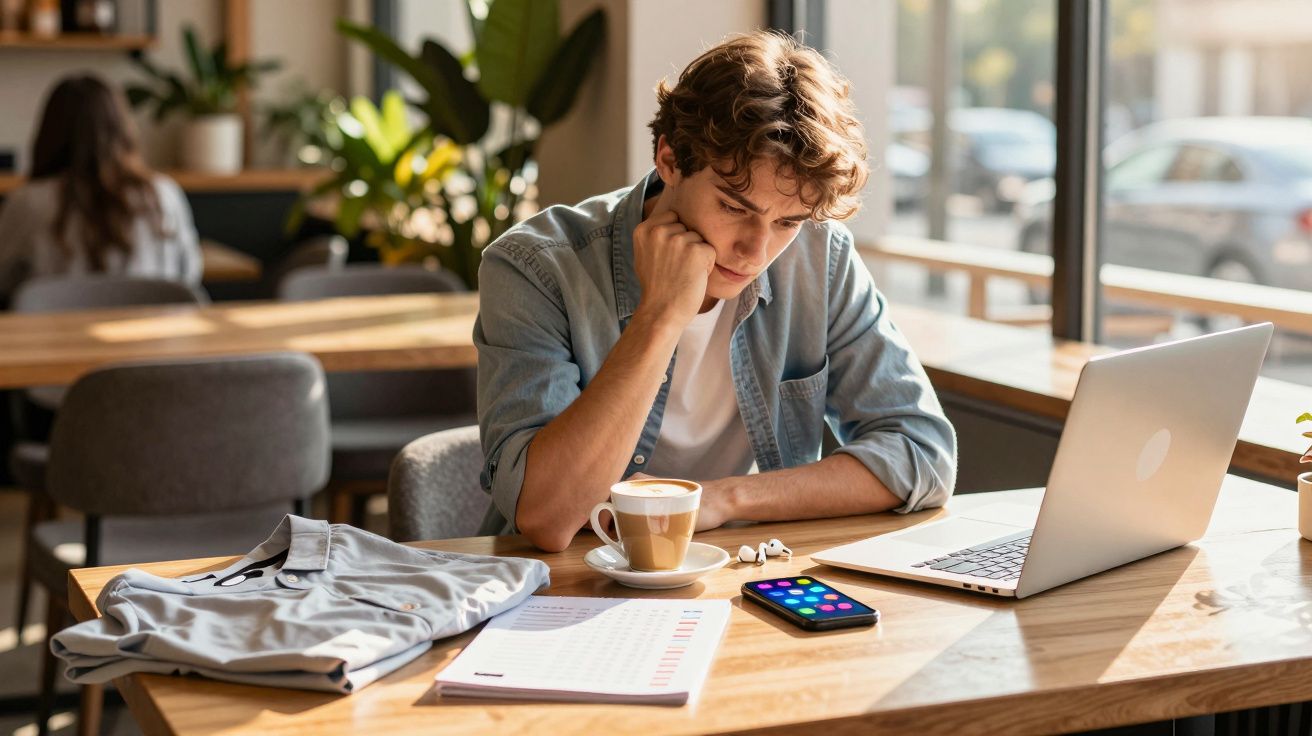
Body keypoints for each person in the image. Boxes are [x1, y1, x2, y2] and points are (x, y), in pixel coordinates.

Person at [475, 31, 957, 552]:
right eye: (734, 207)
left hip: (741, 573)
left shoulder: (821, 259)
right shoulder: (536, 266)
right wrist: (659, 316)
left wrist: (722, 500)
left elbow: (922, 455)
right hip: (565, 584)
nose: (755, 251)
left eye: (787, 222)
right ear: (668, 160)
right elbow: (548, 517)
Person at [0, 74, 200, 303]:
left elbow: (3, 278)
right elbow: (189, 275)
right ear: (122, 127)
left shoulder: (28, 202)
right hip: (153, 334)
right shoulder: (164, 194)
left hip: (54, 335)